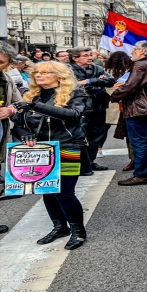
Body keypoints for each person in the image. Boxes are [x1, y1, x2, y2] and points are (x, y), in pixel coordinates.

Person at [12, 61, 88, 250]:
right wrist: (24, 135)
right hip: (40, 150)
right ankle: (59, 227)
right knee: (47, 190)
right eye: (37, 72)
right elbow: (18, 123)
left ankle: (78, 232)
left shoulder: (75, 92)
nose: (39, 75)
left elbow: (73, 114)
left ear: (59, 75)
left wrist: (35, 106)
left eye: (45, 72)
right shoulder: (30, 94)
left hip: (68, 146)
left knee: (65, 192)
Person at [111, 41, 147, 186]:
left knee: (139, 142)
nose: (132, 52)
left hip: (137, 109)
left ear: (142, 52)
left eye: (135, 49)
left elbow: (129, 87)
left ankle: (142, 174)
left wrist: (114, 93)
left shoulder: (139, 65)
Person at [69, 46, 115, 175]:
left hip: (98, 105)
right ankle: (79, 164)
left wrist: (88, 81)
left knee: (96, 135)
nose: (90, 57)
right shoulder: (68, 69)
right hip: (79, 107)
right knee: (79, 136)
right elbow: (73, 85)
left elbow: (110, 80)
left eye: (90, 55)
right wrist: (97, 82)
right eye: (85, 55)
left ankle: (90, 161)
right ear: (75, 58)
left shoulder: (97, 68)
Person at [0, 43, 23, 198]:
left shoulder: (7, 79)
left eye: (1, 62)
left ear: (8, 65)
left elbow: (19, 103)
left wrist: (10, 109)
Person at [100, 51, 133, 160]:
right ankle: (132, 154)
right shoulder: (130, 70)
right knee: (129, 128)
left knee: (104, 127)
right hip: (125, 101)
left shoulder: (107, 71)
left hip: (110, 101)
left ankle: (99, 148)